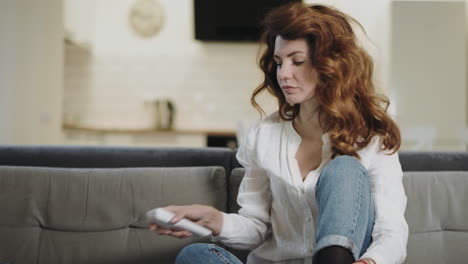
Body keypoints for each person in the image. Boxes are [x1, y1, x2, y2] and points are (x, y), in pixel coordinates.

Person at [150, 2, 408, 264]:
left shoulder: (372, 137)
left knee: (345, 168)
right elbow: (256, 227)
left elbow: (391, 234)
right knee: (196, 255)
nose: (284, 74)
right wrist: (215, 221)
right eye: (278, 62)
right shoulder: (264, 136)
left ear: (330, 64)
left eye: (297, 61)